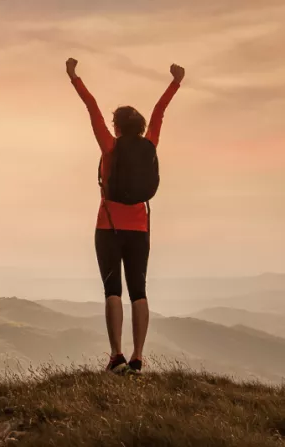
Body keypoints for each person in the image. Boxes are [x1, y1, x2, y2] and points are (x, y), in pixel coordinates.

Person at [66, 57, 184, 374]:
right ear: (142, 127)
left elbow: (91, 108)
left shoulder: (109, 146)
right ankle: (138, 356)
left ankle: (116, 355)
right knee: (139, 291)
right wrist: (175, 82)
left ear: (116, 126)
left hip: (108, 225)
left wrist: (74, 77)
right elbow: (160, 112)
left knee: (113, 289)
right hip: (140, 226)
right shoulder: (150, 143)